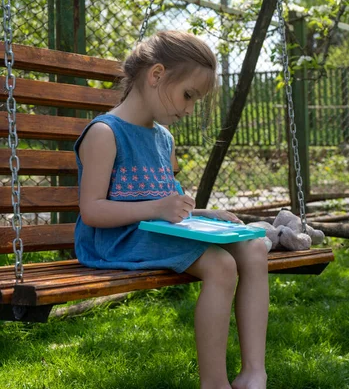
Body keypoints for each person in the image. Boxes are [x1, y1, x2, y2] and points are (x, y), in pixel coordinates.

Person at [74, 30, 269, 389]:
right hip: (115, 239)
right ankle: (215, 383)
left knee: (254, 247)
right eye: (188, 95)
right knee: (222, 265)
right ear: (157, 75)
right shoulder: (105, 133)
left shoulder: (164, 138)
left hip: (155, 231)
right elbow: (92, 212)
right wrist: (159, 208)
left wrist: (207, 215)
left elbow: (168, 206)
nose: (189, 109)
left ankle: (254, 373)